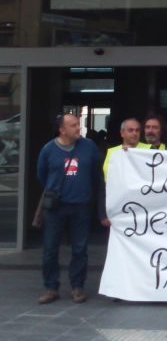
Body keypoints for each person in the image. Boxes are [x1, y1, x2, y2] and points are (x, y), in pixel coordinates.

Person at [36, 113, 108, 304]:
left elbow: (96, 174)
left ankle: (77, 287)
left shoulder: (89, 147)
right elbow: (42, 175)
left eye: (78, 124)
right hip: (56, 208)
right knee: (50, 249)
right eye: (73, 125)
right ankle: (51, 287)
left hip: (81, 207)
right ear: (62, 130)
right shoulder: (48, 150)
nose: (78, 128)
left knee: (79, 249)